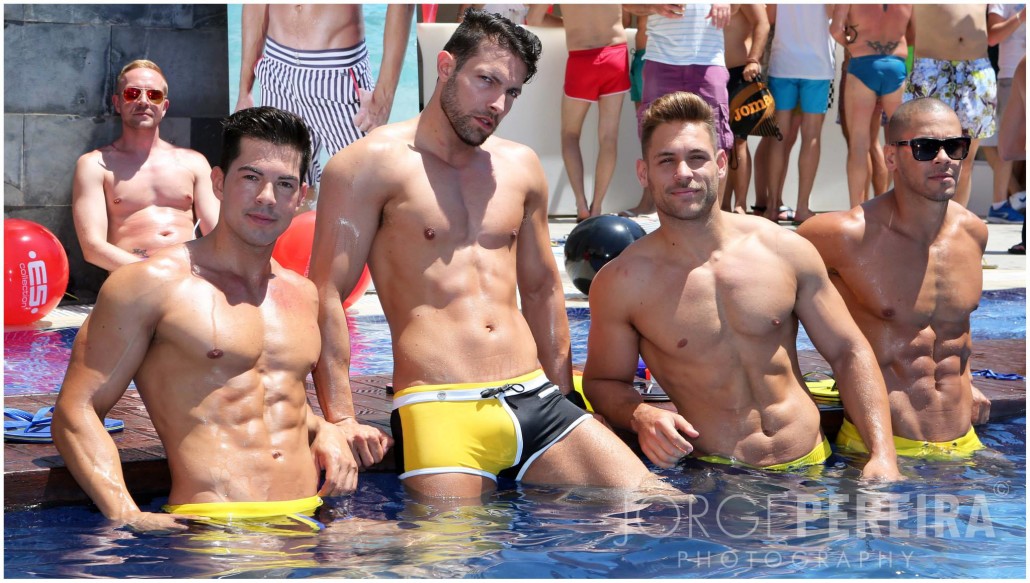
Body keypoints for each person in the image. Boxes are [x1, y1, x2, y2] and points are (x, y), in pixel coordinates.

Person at [309, 9, 664, 499]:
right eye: (486, 81)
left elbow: (542, 289)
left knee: (657, 505)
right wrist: (342, 418)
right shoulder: (367, 166)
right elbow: (325, 293)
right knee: (452, 546)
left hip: (536, 397)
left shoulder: (520, 167)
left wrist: (566, 397)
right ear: (445, 66)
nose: (498, 104)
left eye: (512, 92)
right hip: (440, 404)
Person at [52, 107, 353, 532]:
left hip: (312, 518)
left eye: (284, 184)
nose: (267, 197)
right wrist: (126, 513)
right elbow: (76, 410)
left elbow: (269, 394)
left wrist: (325, 429)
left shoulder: (302, 294)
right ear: (218, 182)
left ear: (301, 196)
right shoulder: (150, 285)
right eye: (251, 177)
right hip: (216, 531)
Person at [583, 91, 900, 480]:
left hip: (813, 469)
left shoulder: (784, 249)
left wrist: (883, 455)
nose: (683, 173)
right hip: (718, 478)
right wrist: (641, 414)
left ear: (720, 164)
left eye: (696, 157)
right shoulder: (622, 282)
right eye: (666, 160)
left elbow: (849, 351)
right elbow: (603, 382)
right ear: (643, 173)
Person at [798, 98, 993, 457]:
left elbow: (955, 332)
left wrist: (968, 380)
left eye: (955, 146)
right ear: (891, 158)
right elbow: (768, 306)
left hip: (965, 445)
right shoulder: (843, 236)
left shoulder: (973, 232)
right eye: (925, 148)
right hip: (878, 451)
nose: (944, 158)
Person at [236, 4, 414, 194]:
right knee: (286, 187)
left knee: (366, 187)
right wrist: (245, 92)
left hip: (338, 73)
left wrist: (384, 97)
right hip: (276, 70)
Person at [72, 59, 219, 272]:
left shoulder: (194, 162)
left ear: (164, 106)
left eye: (154, 95)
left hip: (191, 276)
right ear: (117, 103)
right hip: (134, 279)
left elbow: (218, 234)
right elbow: (92, 248)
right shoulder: (94, 165)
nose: (143, 101)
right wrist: (156, 271)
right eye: (132, 93)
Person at [527, 4, 629, 221]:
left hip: (582, 58)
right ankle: (597, 206)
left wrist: (569, 22)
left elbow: (534, 19)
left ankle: (581, 205)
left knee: (570, 134)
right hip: (616, 53)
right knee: (609, 137)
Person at [904, 4, 996, 209]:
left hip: (976, 69)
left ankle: (954, 223)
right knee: (923, 153)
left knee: (965, 158)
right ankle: (923, 220)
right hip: (932, 68)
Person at [831, 4, 913, 209]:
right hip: (895, 64)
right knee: (901, 143)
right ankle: (899, 207)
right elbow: (914, 33)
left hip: (862, 64)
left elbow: (835, 29)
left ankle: (856, 210)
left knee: (859, 143)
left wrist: (853, 46)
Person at [764, 4, 835, 224]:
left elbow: (770, 17)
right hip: (817, 66)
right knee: (811, 136)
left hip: (783, 63)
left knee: (778, 138)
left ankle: (771, 207)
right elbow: (834, 13)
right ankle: (802, 208)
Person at [721, 3, 770, 214]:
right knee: (719, 142)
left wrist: (753, 60)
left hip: (740, 73)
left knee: (738, 140)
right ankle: (722, 205)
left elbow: (762, 23)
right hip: (708, 72)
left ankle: (740, 204)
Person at [983, 4, 1026, 224]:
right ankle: (999, 204)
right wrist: (1023, 15)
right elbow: (992, 37)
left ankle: (1014, 198)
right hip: (1011, 75)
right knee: (1005, 144)